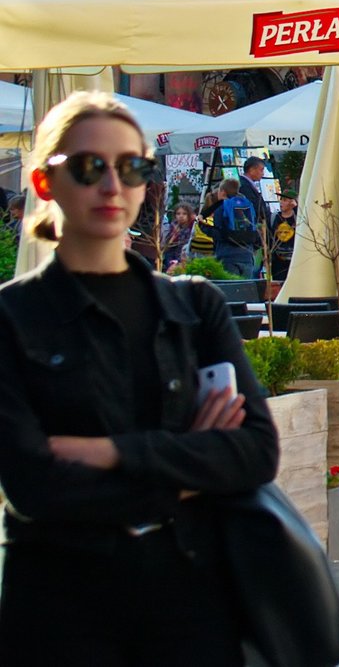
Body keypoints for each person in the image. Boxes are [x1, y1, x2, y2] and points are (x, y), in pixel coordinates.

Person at [0, 93, 276, 664]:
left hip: (191, 597)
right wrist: (187, 465)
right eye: (88, 167)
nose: (111, 186)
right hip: (61, 608)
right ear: (44, 182)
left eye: (132, 168)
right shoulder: (12, 320)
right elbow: (34, 485)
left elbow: (255, 452)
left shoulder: (196, 309)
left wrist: (106, 452)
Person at [207, 166, 265, 278]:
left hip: (228, 256)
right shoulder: (247, 205)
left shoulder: (221, 207)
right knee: (245, 289)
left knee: (231, 290)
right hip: (247, 255)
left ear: (223, 192)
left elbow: (219, 233)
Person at [157, 204, 197, 272]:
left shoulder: (191, 227)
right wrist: (174, 235)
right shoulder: (173, 226)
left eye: (184, 214)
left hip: (186, 255)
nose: (181, 216)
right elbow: (168, 245)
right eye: (178, 214)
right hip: (173, 255)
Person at [268, 194, 297, 282]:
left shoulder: (297, 218)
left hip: (293, 260)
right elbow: (268, 237)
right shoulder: (274, 217)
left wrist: (296, 208)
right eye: (281, 200)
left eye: (285, 200)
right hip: (277, 261)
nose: (281, 202)